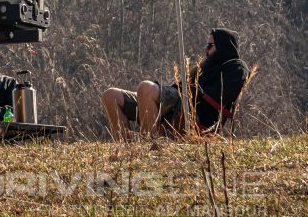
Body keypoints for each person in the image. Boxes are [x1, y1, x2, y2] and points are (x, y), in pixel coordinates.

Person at [100, 27, 249, 140]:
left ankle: (149, 144)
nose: (206, 50)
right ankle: (125, 147)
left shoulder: (236, 66)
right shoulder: (205, 65)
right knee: (111, 95)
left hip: (195, 112)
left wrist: (195, 90)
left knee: (146, 87)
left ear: (223, 46)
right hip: (176, 103)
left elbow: (225, 94)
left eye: (210, 46)